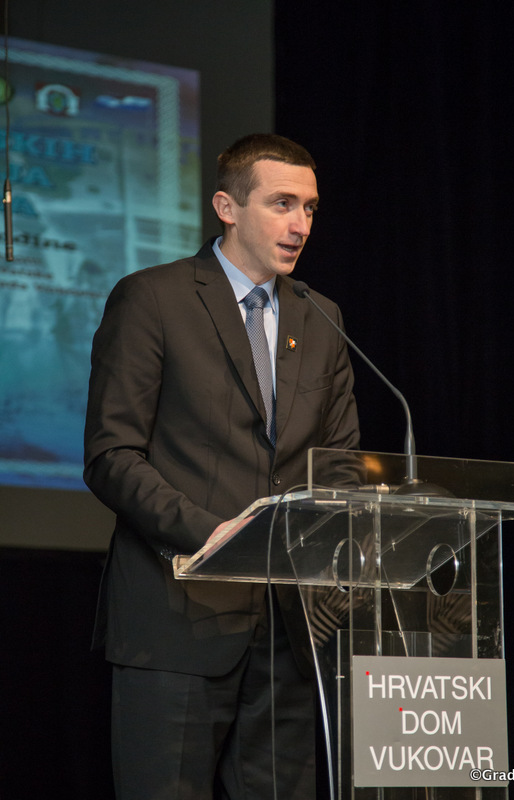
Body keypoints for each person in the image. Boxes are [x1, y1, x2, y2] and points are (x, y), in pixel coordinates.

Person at [84, 133, 360, 800]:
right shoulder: (153, 298)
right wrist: (211, 533)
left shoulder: (321, 317)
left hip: (289, 633)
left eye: (310, 208)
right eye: (281, 203)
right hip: (177, 618)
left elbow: (341, 466)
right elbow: (112, 454)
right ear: (226, 208)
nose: (300, 225)